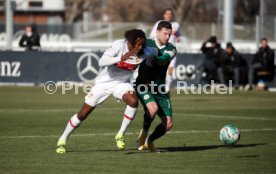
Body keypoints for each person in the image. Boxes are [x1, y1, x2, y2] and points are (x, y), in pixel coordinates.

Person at [56, 29, 156, 153]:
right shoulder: (118, 45)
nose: (140, 47)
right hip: (103, 84)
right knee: (82, 114)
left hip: (122, 84)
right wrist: (121, 57)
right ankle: (62, 139)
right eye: (138, 44)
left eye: (143, 44)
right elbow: (101, 61)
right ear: (129, 42)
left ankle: (120, 134)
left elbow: (155, 55)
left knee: (134, 102)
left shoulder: (144, 52)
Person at [135, 21, 177, 152]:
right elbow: (133, 49)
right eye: (165, 34)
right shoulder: (146, 43)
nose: (167, 37)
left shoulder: (171, 49)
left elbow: (162, 59)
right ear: (157, 32)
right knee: (152, 109)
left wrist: (152, 56)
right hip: (143, 85)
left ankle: (150, 141)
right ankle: (144, 132)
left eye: (169, 35)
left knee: (168, 124)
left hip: (159, 88)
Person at [149, 8, 181, 92]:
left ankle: (166, 88)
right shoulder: (159, 24)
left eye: (170, 14)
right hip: (160, 49)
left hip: (171, 50)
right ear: (164, 15)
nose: (169, 15)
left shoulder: (176, 25)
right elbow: (152, 36)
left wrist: (177, 38)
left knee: (170, 69)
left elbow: (178, 36)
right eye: (167, 13)